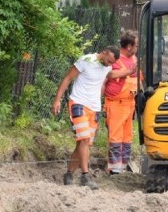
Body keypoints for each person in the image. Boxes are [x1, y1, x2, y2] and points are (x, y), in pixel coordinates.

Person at [52, 46, 131, 188]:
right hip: (78, 104)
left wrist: (130, 71)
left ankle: (69, 174)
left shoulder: (106, 67)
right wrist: (57, 100)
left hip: (94, 108)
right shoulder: (85, 60)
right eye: (108, 61)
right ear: (104, 52)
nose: (108, 64)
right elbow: (67, 79)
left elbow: (111, 74)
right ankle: (85, 176)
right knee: (85, 139)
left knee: (84, 143)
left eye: (111, 63)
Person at [104, 31, 138, 174]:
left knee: (127, 138)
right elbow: (109, 74)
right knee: (116, 138)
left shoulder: (135, 59)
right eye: (136, 45)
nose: (137, 48)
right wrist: (129, 72)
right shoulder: (115, 59)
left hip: (130, 103)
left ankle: (123, 167)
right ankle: (114, 169)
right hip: (116, 104)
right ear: (129, 46)